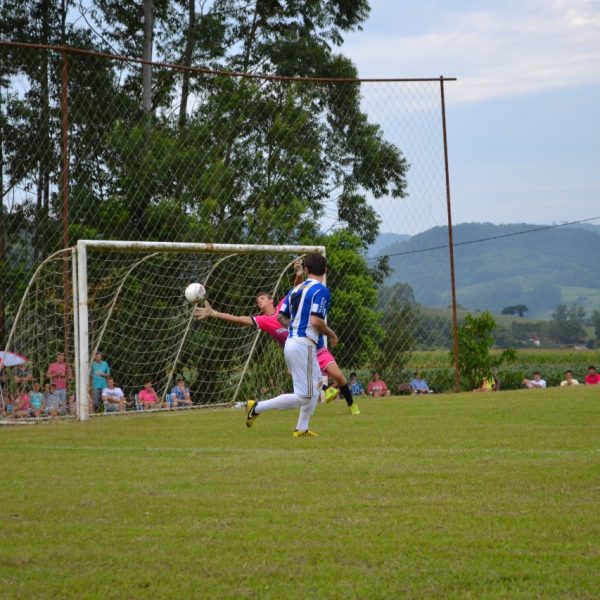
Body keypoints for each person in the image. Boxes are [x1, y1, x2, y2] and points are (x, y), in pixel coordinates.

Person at [194, 258, 360, 415]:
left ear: (271, 300)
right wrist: (214, 313)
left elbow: (296, 290)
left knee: (338, 376)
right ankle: (311, 407)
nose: (260, 301)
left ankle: (350, 404)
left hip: (315, 347)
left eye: (262, 298)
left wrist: (298, 274)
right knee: (305, 388)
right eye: (258, 300)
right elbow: (239, 319)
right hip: (297, 351)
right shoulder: (264, 320)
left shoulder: (283, 305)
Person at [245, 253, 336, 437]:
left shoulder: (295, 290)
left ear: (307, 270)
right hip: (304, 345)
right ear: (325, 271)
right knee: (303, 396)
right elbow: (317, 321)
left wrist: (295, 328)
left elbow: (281, 317)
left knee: (317, 383)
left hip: (293, 343)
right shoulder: (321, 291)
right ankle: (256, 407)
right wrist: (331, 334)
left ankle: (301, 428)